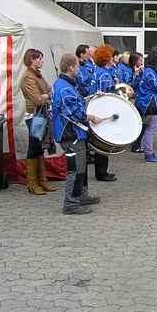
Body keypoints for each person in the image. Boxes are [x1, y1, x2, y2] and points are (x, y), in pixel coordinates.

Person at [51, 54, 102, 215]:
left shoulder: (63, 84)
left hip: (73, 134)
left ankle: (82, 195)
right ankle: (71, 204)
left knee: (81, 167)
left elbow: (76, 102)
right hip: (70, 135)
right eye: (77, 66)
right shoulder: (65, 88)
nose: (79, 69)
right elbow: (74, 112)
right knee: (75, 170)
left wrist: (92, 97)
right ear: (71, 67)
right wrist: (91, 117)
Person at [20, 49, 55, 195]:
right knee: (34, 148)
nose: (42, 61)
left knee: (39, 147)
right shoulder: (28, 77)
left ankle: (42, 180)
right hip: (35, 116)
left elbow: (48, 90)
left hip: (41, 115)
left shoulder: (37, 75)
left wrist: (46, 94)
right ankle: (32, 183)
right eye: (40, 59)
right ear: (32, 60)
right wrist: (47, 95)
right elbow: (37, 99)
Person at [89, 45, 117, 182]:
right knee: (104, 142)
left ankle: (101, 171)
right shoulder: (105, 74)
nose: (113, 58)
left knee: (99, 141)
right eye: (111, 56)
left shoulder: (97, 71)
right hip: (103, 111)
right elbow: (108, 95)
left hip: (95, 109)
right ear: (106, 59)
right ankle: (102, 172)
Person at [136, 48, 157, 164]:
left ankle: (148, 151)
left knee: (148, 129)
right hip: (151, 104)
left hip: (146, 103)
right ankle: (149, 153)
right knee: (151, 130)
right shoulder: (151, 73)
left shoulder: (147, 71)